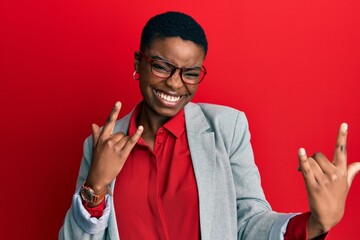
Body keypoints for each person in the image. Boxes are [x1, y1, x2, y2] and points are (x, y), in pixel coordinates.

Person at [59, 11, 360, 240]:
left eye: (190, 73)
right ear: (139, 63)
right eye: (162, 66)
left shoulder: (227, 129)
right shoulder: (100, 144)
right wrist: (95, 189)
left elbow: (248, 221)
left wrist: (313, 224)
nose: (175, 83)